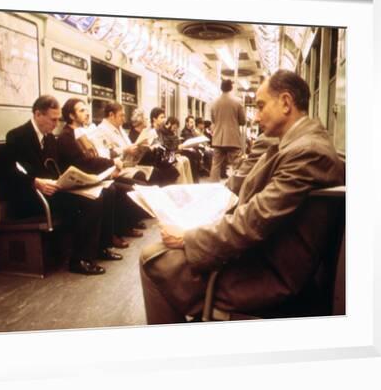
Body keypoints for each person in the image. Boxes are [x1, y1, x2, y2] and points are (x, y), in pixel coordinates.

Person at [140, 70, 345, 323]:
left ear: (285, 102)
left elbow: (254, 220)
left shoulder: (307, 152)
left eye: (260, 106)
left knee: (152, 259)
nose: (256, 116)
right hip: (264, 251)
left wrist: (189, 237)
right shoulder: (297, 145)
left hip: (266, 272)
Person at [0, 95, 116, 276]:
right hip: (31, 197)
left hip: (53, 192)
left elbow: (55, 168)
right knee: (90, 202)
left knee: (100, 193)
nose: (56, 123)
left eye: (58, 119)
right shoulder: (17, 136)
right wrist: (34, 182)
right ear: (38, 114)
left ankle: (98, 249)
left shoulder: (49, 138)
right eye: (53, 119)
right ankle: (79, 260)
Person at [57, 98, 146, 244]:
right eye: (81, 110)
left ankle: (115, 233)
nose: (87, 113)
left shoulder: (82, 132)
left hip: (95, 175)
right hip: (80, 182)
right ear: (71, 116)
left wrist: (109, 167)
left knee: (130, 186)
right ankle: (107, 240)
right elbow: (84, 162)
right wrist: (111, 163)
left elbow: (97, 155)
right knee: (111, 191)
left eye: (86, 109)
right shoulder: (67, 136)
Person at [209, 79, 246, 182]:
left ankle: (214, 187)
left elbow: (213, 120)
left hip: (218, 138)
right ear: (231, 87)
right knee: (236, 164)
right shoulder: (237, 102)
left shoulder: (214, 102)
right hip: (232, 138)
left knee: (215, 164)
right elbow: (243, 121)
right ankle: (236, 186)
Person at [149, 108, 193, 184]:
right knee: (179, 163)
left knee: (185, 159)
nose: (164, 119)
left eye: (164, 117)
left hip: (166, 157)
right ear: (154, 119)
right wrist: (173, 154)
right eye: (161, 117)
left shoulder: (159, 131)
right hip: (159, 161)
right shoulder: (152, 132)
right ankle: (181, 188)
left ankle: (189, 185)